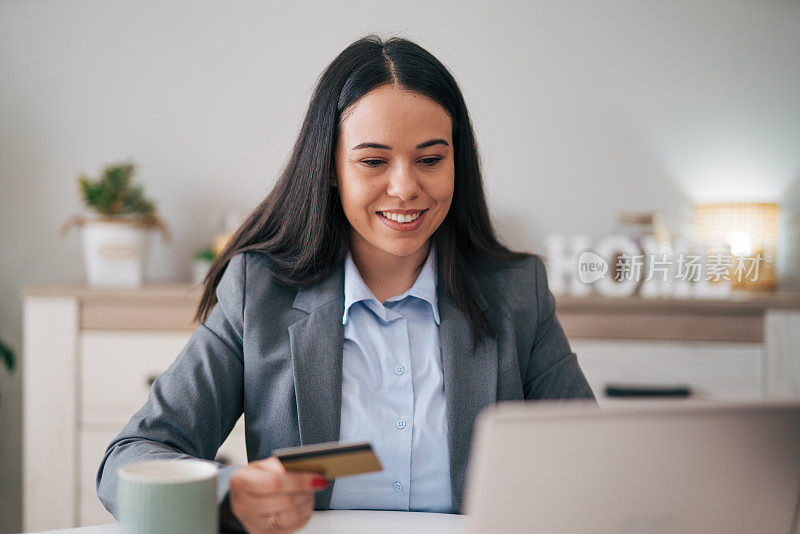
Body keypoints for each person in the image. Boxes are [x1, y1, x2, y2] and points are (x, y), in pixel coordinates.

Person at [96, 34, 595, 534]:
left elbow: (595, 460)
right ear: (331, 169)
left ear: (456, 164)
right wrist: (228, 497)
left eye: (430, 159)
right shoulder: (260, 292)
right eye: (373, 161)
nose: (404, 187)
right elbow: (127, 462)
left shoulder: (517, 291)